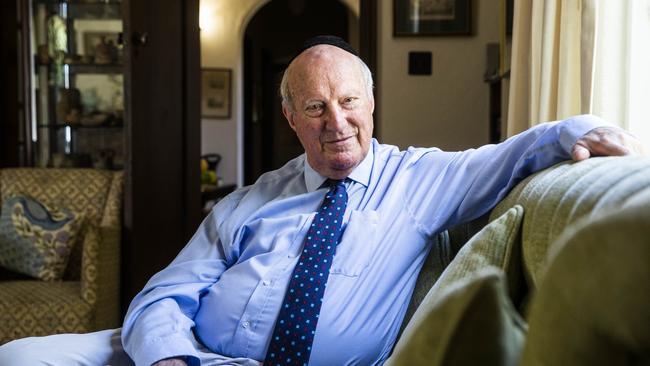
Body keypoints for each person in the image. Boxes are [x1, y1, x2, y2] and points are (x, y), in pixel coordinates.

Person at [0, 36, 645, 366]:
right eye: (314, 107)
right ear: (290, 117)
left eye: (348, 102)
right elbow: (163, 295)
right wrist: (171, 358)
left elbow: (515, 151)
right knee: (19, 355)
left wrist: (577, 131)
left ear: (371, 105)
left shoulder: (421, 180)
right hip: (183, 353)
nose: (335, 121)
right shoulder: (251, 201)